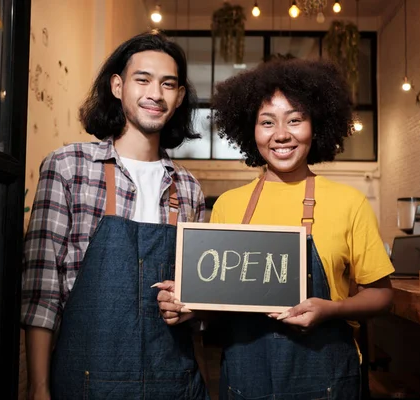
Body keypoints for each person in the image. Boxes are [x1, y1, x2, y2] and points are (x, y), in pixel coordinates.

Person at [157, 59, 394, 399]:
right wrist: (187, 302)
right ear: (250, 130)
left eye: (295, 120)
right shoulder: (228, 205)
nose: (281, 134)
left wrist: (331, 310)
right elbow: (217, 299)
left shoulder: (349, 203)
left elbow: (382, 294)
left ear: (317, 125)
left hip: (326, 379)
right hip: (245, 378)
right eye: (267, 122)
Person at [21, 31, 208, 400]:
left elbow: (199, 298)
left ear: (180, 97)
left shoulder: (188, 189)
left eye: (168, 84)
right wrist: (38, 386)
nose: (155, 93)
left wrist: (191, 308)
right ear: (118, 86)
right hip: (85, 380)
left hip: (172, 382)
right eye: (143, 80)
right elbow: (41, 292)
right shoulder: (69, 166)